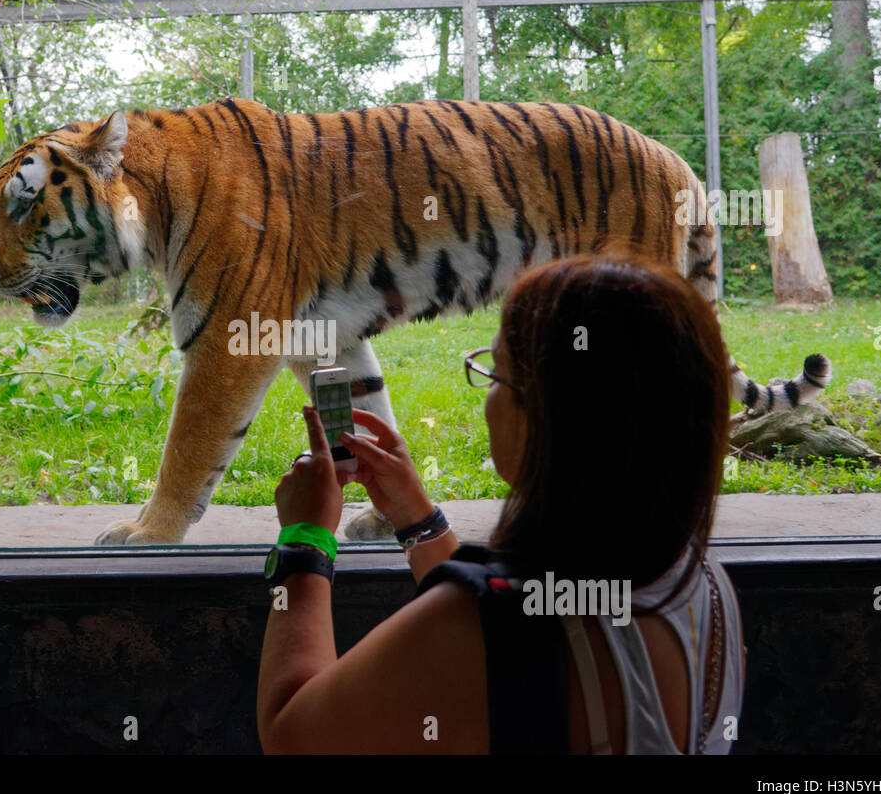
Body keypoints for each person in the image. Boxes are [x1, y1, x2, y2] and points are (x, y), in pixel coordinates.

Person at [257, 256, 746, 754]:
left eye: (496, 372)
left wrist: (305, 539)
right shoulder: (704, 581)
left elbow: (290, 734)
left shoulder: (471, 625)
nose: (487, 394)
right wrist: (415, 517)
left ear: (547, 416)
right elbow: (507, 631)